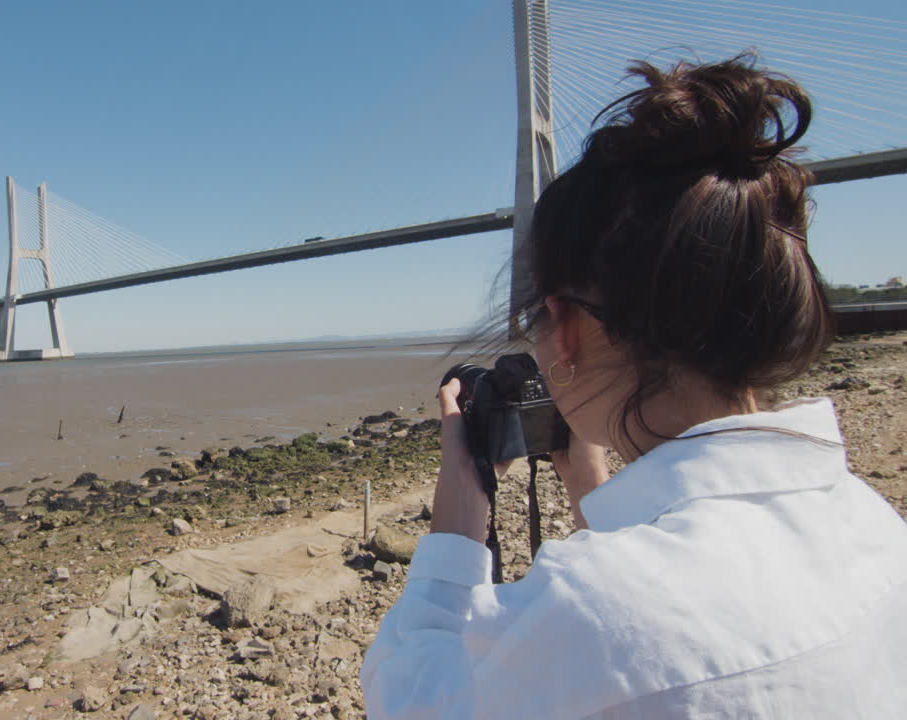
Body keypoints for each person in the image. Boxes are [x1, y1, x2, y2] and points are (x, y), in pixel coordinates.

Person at [361, 55, 907, 719]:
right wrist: (593, 483)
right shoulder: (872, 523)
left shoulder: (594, 620)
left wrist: (458, 512)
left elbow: (413, 694)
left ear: (564, 328)